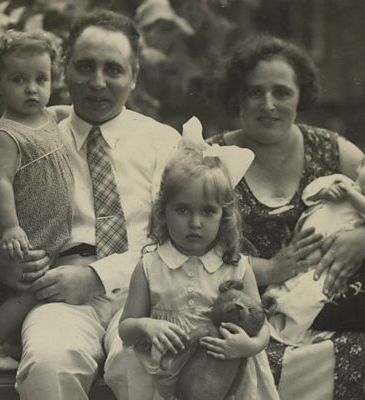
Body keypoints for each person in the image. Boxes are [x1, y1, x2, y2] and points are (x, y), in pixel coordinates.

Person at [0, 9, 180, 400]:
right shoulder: (32, 139)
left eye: (113, 69)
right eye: (85, 67)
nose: (97, 82)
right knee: (49, 362)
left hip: (144, 291)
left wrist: (97, 277)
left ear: (133, 76)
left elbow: (177, 239)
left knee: (143, 361)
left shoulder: (162, 143)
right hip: (57, 293)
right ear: (64, 71)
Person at [208, 34, 365, 399]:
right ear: (237, 96)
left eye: (281, 92)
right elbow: (184, 247)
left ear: (300, 96)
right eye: (254, 92)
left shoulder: (331, 149)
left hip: (337, 315)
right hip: (246, 323)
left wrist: (362, 239)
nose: (268, 105)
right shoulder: (212, 159)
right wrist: (268, 270)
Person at [118, 117, 279, 400]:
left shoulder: (237, 267)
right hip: (164, 379)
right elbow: (125, 328)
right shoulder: (150, 268)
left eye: (207, 211)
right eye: (182, 210)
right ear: (163, 212)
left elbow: (261, 326)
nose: (195, 223)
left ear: (224, 215)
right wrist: (146, 325)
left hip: (225, 378)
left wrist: (249, 346)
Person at [0, 29, 74, 371]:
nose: (32, 89)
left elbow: (63, 111)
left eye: (40, 79)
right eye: (19, 80)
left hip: (48, 227)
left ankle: (13, 341)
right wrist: (11, 228)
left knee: (38, 289)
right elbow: (1, 183)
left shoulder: (46, 116)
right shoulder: (6, 135)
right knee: (29, 288)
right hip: (26, 230)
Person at [265, 158, 365, 344]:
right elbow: (308, 193)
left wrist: (351, 193)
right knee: (287, 280)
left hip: (328, 257)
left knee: (311, 292)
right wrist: (324, 192)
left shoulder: (353, 195)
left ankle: (290, 332)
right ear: (359, 167)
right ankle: (271, 305)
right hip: (303, 245)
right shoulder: (339, 180)